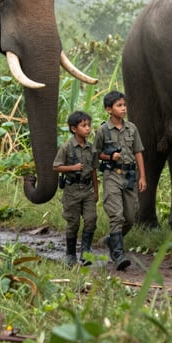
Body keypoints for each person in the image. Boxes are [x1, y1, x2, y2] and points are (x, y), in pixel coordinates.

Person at [94, 90, 146, 271]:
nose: (123, 109)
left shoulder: (132, 128)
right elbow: (95, 154)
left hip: (130, 176)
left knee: (130, 218)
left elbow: (138, 152)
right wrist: (109, 157)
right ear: (109, 109)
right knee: (116, 215)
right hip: (112, 176)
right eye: (119, 106)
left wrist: (142, 176)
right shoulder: (102, 130)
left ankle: (111, 239)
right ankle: (118, 255)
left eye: (124, 105)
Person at [53, 110, 99, 266]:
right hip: (72, 190)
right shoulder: (66, 147)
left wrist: (96, 191)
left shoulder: (91, 148)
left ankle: (86, 252)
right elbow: (56, 167)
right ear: (74, 129)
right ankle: (70, 254)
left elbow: (93, 170)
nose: (88, 128)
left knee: (91, 219)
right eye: (84, 125)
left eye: (89, 125)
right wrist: (71, 168)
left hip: (87, 189)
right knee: (73, 223)